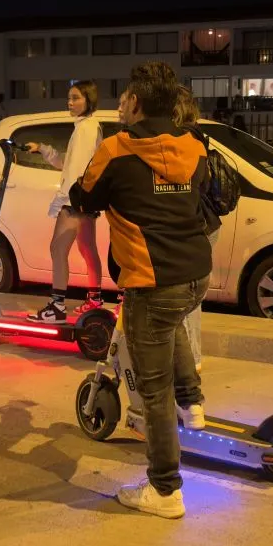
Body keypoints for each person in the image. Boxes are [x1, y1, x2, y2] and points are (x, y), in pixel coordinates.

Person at [70, 62, 212, 519]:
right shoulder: (194, 147)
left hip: (152, 280)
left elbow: (84, 197)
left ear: (133, 102)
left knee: (153, 391)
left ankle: (165, 491)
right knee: (172, 334)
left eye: (124, 98)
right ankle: (195, 408)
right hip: (194, 276)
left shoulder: (116, 149)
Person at [26, 81, 104, 322]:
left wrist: (66, 202)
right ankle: (94, 300)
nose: (70, 103)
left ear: (88, 99)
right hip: (86, 199)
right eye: (69, 98)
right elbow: (69, 163)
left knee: (57, 249)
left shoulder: (84, 130)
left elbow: (75, 170)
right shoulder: (90, 126)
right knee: (87, 249)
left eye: (75, 98)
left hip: (75, 200)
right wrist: (43, 149)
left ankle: (57, 307)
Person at [174, 86, 221, 375]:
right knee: (190, 297)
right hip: (206, 223)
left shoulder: (187, 138)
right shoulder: (197, 133)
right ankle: (190, 359)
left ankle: (191, 360)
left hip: (198, 225)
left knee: (188, 297)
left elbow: (190, 185)